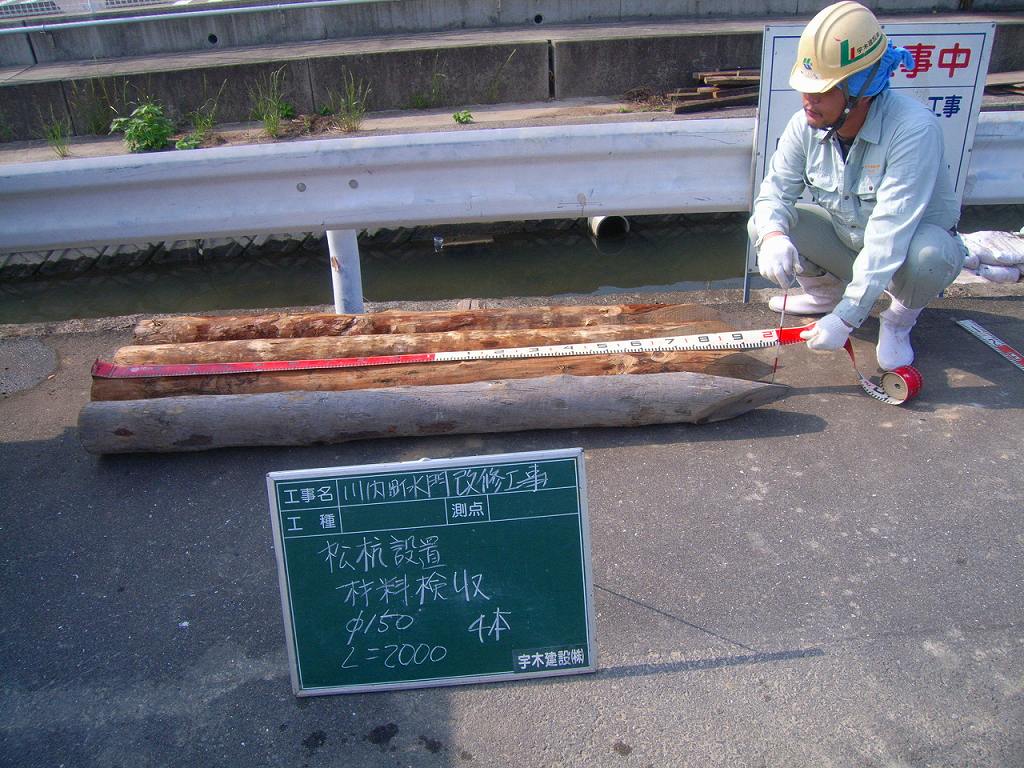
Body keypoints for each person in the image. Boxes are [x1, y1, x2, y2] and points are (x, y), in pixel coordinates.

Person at [748, 0, 966, 369]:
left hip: (903, 255)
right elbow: (774, 193)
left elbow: (889, 233)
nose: (808, 100)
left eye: (822, 91)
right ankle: (825, 294)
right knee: (770, 223)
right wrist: (772, 236)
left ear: (860, 90)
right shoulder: (805, 124)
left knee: (930, 256)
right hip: (850, 243)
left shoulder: (913, 130)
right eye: (805, 88)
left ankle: (898, 322)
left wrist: (847, 318)